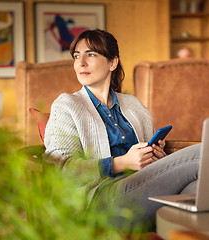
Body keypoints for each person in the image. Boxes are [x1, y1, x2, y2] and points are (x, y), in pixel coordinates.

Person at [44, 29, 200, 232]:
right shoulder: (66, 105)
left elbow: (148, 165)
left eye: (90, 54)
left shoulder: (133, 105)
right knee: (203, 153)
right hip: (98, 200)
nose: (81, 62)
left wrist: (155, 156)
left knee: (197, 190)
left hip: (141, 192)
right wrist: (121, 163)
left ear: (112, 63)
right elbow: (61, 171)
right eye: (76, 56)